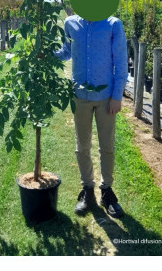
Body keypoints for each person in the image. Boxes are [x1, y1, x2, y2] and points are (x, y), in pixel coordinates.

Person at [53, 13, 128, 218]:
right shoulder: (71, 23)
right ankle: (87, 189)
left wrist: (117, 96)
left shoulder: (113, 25)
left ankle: (106, 191)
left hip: (105, 97)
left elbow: (121, 62)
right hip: (80, 96)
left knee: (107, 146)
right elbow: (66, 52)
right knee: (82, 145)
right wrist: (47, 53)